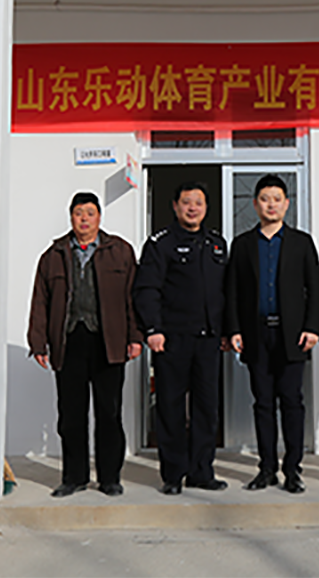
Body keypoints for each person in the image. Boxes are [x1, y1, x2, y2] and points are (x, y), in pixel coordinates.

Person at [27, 192, 142, 498]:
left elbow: (133, 298)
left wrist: (135, 336)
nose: (84, 219)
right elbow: (40, 301)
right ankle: (74, 477)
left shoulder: (120, 251)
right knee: (71, 415)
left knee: (109, 413)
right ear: (71, 217)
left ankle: (110, 478)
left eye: (90, 213)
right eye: (79, 213)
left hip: (110, 342)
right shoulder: (53, 255)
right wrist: (38, 342)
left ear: (99, 217)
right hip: (69, 342)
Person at [224, 174, 319, 494]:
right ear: (255, 204)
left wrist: (312, 327)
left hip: (292, 336)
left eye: (277, 199)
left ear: (286, 204)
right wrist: (234, 329)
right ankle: (267, 468)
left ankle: (292, 469)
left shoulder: (301, 242)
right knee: (263, 403)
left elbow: (316, 289)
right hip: (256, 336)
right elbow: (233, 292)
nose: (271, 205)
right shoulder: (242, 244)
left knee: (292, 402)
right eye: (265, 199)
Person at [132, 182, 228, 495]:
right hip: (171, 340)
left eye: (198, 202)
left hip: (208, 341)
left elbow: (225, 292)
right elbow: (146, 289)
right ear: (175, 206)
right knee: (171, 408)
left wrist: (226, 331)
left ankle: (201, 472)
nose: (193, 208)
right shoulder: (160, 244)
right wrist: (153, 329)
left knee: (206, 408)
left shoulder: (217, 244)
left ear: (206, 207)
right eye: (186, 202)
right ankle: (173, 475)